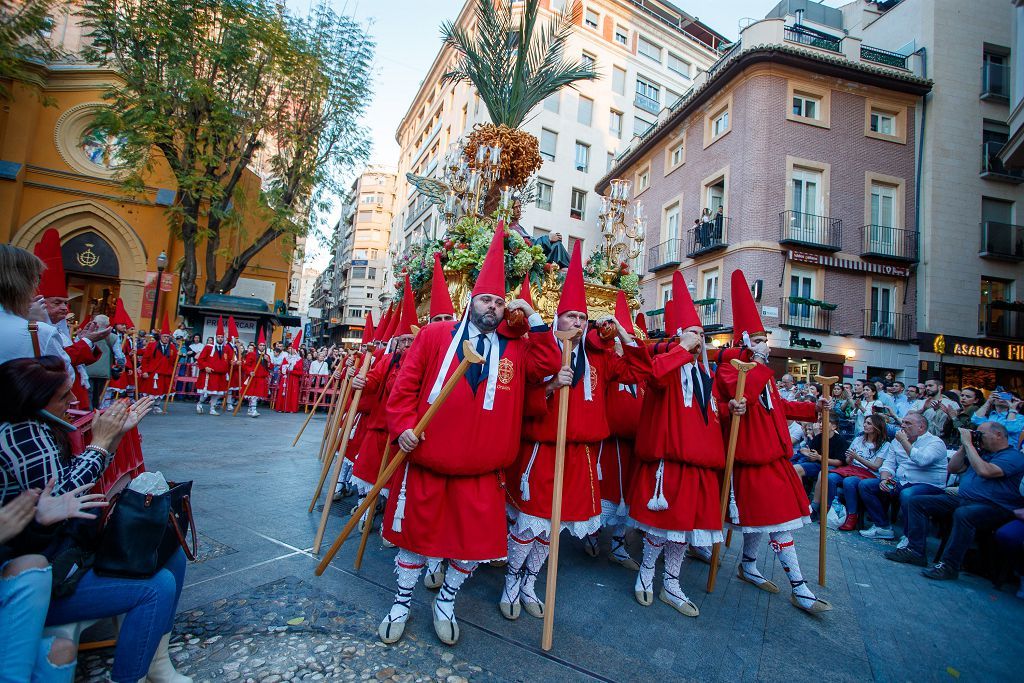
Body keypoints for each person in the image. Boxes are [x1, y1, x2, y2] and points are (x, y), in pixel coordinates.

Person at [379, 228, 560, 646]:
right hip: (428, 461)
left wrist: (530, 316)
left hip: (482, 472)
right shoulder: (434, 336)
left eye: (499, 302)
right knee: (414, 541)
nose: (493, 308)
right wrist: (404, 427)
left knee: (469, 548)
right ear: (470, 302)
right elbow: (402, 391)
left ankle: (445, 603)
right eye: (486, 300)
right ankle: (402, 603)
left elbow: (549, 361)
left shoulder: (515, 348)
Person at [0, 356, 191, 683]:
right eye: (63, 397)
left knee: (169, 551)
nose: (74, 401)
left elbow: (73, 488)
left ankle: (158, 664)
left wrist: (113, 439)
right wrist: (101, 443)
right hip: (44, 566)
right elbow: (67, 495)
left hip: (58, 549)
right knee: (157, 586)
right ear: (32, 402)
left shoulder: (42, 428)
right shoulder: (23, 435)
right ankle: (131, 675)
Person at [502, 242, 651, 623]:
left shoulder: (600, 357)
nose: (578, 324)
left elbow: (640, 371)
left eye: (582, 318)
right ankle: (510, 582)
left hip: (582, 455)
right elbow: (522, 391)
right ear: (557, 319)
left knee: (554, 530)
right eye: (571, 317)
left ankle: (531, 582)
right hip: (545, 451)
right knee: (531, 523)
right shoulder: (542, 348)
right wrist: (551, 387)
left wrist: (623, 335)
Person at [715, 269, 831, 614]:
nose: (765, 343)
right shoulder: (731, 368)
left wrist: (813, 407)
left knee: (763, 520)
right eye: (758, 338)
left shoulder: (762, 372)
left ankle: (749, 564)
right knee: (774, 522)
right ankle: (799, 586)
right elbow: (745, 395)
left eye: (765, 337)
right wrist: (760, 362)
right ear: (744, 342)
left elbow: (777, 405)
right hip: (747, 459)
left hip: (774, 458)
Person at [626, 272, 724, 618]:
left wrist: (732, 409)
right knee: (660, 528)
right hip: (668, 463)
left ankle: (671, 583)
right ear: (679, 335)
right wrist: (681, 349)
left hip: (699, 466)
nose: (701, 339)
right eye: (694, 332)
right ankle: (646, 573)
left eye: (702, 333)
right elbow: (652, 376)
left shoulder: (704, 373)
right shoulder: (667, 363)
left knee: (683, 532)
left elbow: (709, 411)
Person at [885, 421, 1024, 581]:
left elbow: (985, 471)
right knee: (917, 502)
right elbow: (953, 468)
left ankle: (949, 566)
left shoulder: (1013, 457)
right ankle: (915, 551)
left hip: (995, 506)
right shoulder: (981, 452)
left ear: (999, 435)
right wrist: (965, 447)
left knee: (964, 514)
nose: (977, 438)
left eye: (981, 435)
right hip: (964, 499)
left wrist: (969, 444)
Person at [584, 291, 645, 572]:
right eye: (619, 339)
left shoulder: (633, 367)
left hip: (633, 449)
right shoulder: (606, 362)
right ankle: (592, 535)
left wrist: (624, 334)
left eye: (626, 339)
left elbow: (640, 368)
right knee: (601, 496)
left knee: (627, 501)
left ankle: (619, 544)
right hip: (606, 448)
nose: (622, 344)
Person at [34, 230, 111, 407]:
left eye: (65, 302)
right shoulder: (36, 330)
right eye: (57, 302)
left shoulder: (57, 330)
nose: (64, 308)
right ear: (40, 303)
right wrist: (86, 341)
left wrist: (80, 340)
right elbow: (59, 361)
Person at [858, 411, 949, 543]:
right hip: (901, 482)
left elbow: (922, 460)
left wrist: (904, 441)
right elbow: (889, 464)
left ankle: (910, 537)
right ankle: (882, 526)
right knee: (867, 486)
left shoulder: (935, 443)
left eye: (908, 423)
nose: (903, 425)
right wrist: (884, 479)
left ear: (921, 427)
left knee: (908, 494)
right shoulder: (897, 441)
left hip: (926, 486)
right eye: (903, 422)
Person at [0, 244, 72, 370]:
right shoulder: (39, 332)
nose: (37, 286)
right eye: (37, 279)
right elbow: (64, 376)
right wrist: (37, 323)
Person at [832, 414, 889, 531]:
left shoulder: (884, 445)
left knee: (849, 481)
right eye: (865, 422)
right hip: (853, 469)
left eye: (869, 423)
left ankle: (852, 515)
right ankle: (830, 510)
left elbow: (875, 466)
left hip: (869, 474)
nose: (865, 425)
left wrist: (857, 457)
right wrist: (851, 458)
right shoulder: (858, 439)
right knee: (830, 477)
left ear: (877, 427)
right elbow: (848, 461)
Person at [196, 317, 235, 415]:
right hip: (210, 374)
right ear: (215, 337)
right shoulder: (208, 347)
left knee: (217, 393)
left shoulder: (226, 348)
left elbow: (230, 360)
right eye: (219, 337)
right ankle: (200, 403)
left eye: (222, 337)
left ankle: (212, 408)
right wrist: (205, 367)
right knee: (207, 392)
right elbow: (201, 359)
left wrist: (234, 362)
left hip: (221, 375)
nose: (220, 339)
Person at [138, 314, 176, 413]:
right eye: (164, 336)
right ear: (160, 336)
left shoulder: (172, 348)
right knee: (148, 390)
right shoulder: (152, 345)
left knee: (161, 390)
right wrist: (144, 371)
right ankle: (144, 406)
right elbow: (145, 359)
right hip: (152, 372)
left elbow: (173, 361)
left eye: (168, 337)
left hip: (165, 372)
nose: (166, 338)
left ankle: (157, 406)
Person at [85, 314, 122, 410]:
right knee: (97, 395)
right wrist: (122, 365)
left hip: (87, 369)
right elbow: (119, 355)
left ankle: (88, 413)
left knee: (88, 393)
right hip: (103, 370)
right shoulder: (113, 337)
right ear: (107, 325)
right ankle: (94, 412)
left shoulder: (87, 334)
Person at [241, 330, 272, 418]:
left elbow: (270, 367)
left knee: (257, 395)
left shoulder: (267, 356)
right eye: (260, 345)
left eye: (263, 345)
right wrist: (250, 371)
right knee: (252, 395)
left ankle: (251, 409)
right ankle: (253, 410)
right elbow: (246, 365)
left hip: (261, 378)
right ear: (257, 346)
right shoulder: (252, 354)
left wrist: (268, 361)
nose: (262, 347)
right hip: (253, 377)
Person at [274, 334, 305, 414]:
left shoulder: (299, 359)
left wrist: (291, 371)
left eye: (292, 348)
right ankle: (281, 407)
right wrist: (286, 368)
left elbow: (300, 372)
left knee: (292, 393)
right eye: (290, 348)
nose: (290, 350)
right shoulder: (286, 358)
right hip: (285, 378)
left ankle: (291, 408)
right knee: (283, 392)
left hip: (294, 379)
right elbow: (282, 368)